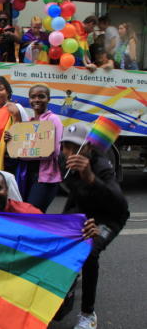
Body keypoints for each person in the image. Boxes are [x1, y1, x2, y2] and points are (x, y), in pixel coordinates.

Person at [60, 123, 129, 329]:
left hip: (109, 217)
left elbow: (119, 204)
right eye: (67, 146)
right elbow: (74, 196)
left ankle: (88, 314)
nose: (71, 152)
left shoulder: (102, 166)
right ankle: (64, 290)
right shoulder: (62, 160)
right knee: (58, 243)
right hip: (82, 212)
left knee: (89, 252)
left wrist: (90, 177)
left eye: (77, 147)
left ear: (88, 148)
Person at [5, 84, 63, 212]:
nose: (37, 100)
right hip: (27, 175)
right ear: (29, 99)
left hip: (46, 178)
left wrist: (23, 156)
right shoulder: (29, 123)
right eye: (33, 97)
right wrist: (10, 140)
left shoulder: (53, 120)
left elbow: (54, 151)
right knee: (28, 213)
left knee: (33, 213)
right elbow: (17, 150)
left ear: (48, 99)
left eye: (41, 96)